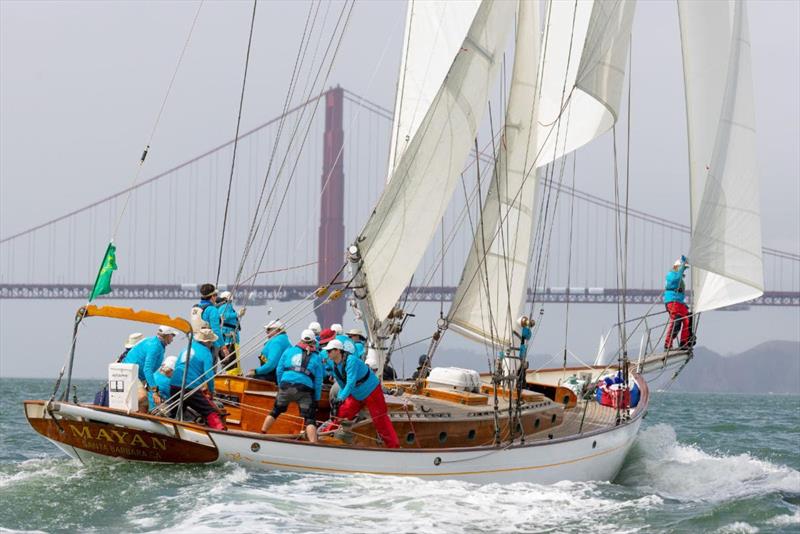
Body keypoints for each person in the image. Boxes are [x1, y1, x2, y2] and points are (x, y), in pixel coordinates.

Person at [325, 338, 399, 448]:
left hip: (371, 391)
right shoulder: (335, 365)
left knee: (380, 419)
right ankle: (325, 436)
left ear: (337, 351)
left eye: (329, 351)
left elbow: (350, 382)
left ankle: (394, 446)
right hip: (356, 394)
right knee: (341, 414)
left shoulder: (351, 361)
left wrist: (340, 398)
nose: (327, 353)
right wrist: (340, 400)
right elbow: (342, 385)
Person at [260, 329, 324, 443]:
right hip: (305, 389)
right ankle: (314, 445)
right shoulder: (317, 357)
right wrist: (317, 398)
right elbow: (318, 381)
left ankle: (261, 434)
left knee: (275, 412)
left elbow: (279, 370)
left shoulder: (289, 351)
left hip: (286, 385)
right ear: (314, 341)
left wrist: (281, 386)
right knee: (310, 420)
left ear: (301, 339)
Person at [169, 328, 225, 430]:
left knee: (176, 412)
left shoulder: (187, 348)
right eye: (211, 342)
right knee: (210, 411)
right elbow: (209, 375)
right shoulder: (206, 352)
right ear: (207, 342)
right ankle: (221, 433)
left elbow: (177, 365)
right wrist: (211, 391)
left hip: (174, 385)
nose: (212, 344)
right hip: (190, 387)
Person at [123, 325, 179, 412]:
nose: (173, 338)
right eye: (173, 335)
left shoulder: (158, 344)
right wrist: (155, 392)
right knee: (143, 398)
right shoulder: (155, 346)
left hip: (138, 375)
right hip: (130, 373)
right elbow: (147, 369)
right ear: (167, 335)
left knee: (147, 401)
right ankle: (135, 419)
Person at [664, 255, 694, 350]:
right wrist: (683, 265)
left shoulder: (677, 275)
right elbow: (675, 278)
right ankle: (668, 344)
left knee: (687, 320)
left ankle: (684, 342)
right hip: (673, 302)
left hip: (679, 302)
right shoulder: (671, 275)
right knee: (676, 321)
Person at [191, 283, 226, 363]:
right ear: (212, 296)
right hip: (210, 345)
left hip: (195, 344)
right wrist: (223, 347)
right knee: (210, 370)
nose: (216, 297)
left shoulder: (195, 308)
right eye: (216, 295)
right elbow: (216, 330)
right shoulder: (212, 310)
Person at [217, 291, 243, 376]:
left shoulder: (222, 306)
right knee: (233, 365)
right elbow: (223, 315)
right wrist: (237, 314)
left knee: (230, 364)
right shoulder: (225, 306)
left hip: (228, 339)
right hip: (229, 339)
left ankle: (234, 375)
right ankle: (233, 379)